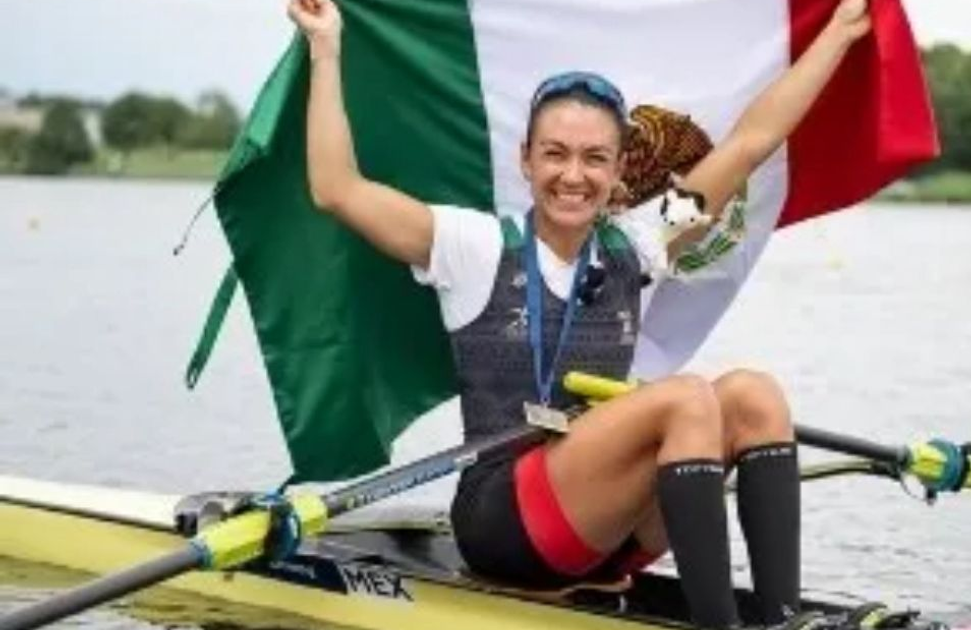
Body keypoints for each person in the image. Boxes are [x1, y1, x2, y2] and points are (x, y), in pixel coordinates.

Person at [287, 0, 871, 627]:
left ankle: (781, 617)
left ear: (620, 171)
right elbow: (336, 188)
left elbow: (753, 142)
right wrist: (326, 48)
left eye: (594, 158)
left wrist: (838, 32)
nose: (573, 175)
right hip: (502, 519)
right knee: (685, 400)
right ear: (526, 162)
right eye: (556, 154)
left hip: (605, 534)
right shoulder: (473, 246)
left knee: (755, 396)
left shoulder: (643, 244)